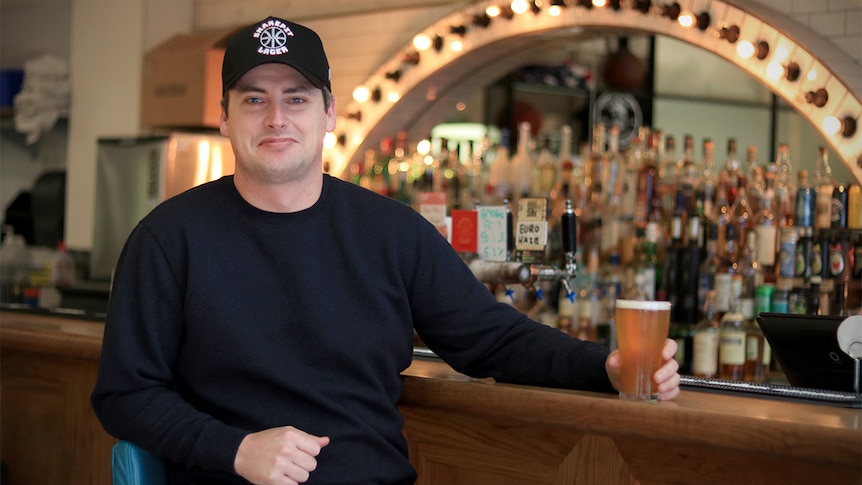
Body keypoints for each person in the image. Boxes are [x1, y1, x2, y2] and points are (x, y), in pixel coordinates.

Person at [91, 16, 680, 485]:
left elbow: (490, 338)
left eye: (296, 98)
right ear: (225, 117)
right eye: (253, 99)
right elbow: (125, 393)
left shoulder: (390, 233)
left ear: (328, 114)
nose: (276, 118)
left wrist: (602, 364)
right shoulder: (169, 238)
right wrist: (237, 449)